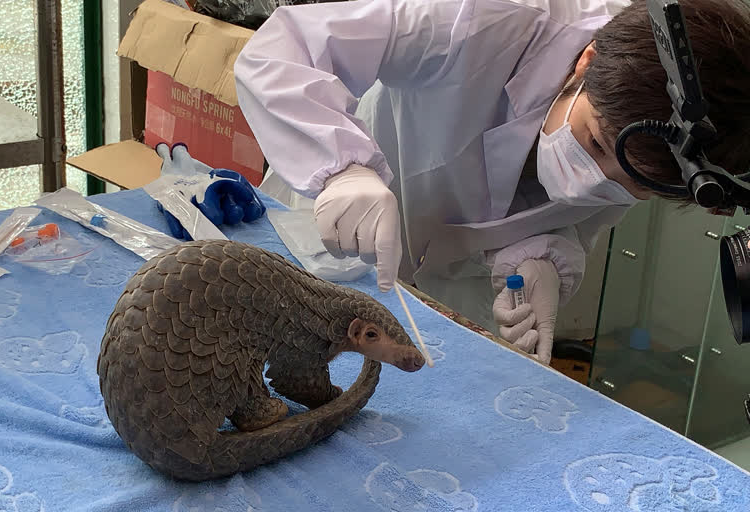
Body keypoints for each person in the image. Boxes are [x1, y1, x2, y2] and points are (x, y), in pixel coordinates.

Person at [232, 0, 750, 363]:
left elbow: (549, 210)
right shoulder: (484, 18)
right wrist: (341, 168)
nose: (593, 182)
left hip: (444, 294)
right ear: (584, 64)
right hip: (332, 222)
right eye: (593, 144)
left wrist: (539, 257)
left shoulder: (670, 143)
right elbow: (284, 49)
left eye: (630, 186)